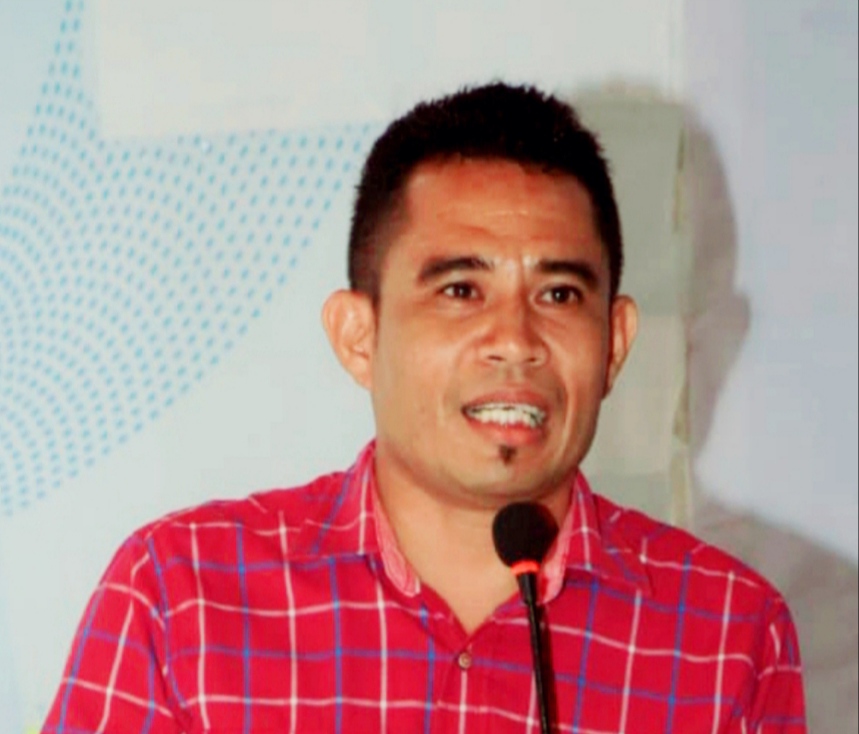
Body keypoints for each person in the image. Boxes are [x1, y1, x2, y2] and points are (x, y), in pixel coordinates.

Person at [42, 83, 806, 733]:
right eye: (461, 290)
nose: (515, 341)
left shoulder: (727, 636)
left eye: (558, 294)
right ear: (359, 336)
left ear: (613, 343)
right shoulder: (181, 599)